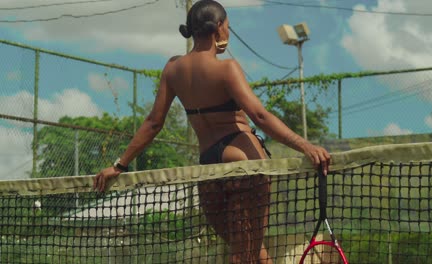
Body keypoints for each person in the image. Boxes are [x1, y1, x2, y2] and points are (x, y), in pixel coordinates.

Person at [94, 0, 330, 263]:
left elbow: (153, 123)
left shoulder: (173, 68)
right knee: (245, 253)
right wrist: (306, 146)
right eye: (227, 27)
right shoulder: (226, 68)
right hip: (244, 164)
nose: (228, 32)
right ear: (218, 28)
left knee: (252, 251)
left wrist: (120, 165)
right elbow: (260, 116)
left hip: (208, 169)